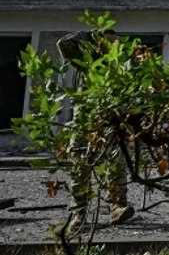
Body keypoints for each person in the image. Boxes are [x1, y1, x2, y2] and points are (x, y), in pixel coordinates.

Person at [57, 28, 135, 229]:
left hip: (111, 119)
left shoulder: (120, 63)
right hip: (85, 118)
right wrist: (89, 35)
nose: (110, 46)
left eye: (114, 42)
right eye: (107, 41)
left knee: (116, 161)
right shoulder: (87, 59)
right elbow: (63, 44)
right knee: (81, 163)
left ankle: (117, 207)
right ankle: (79, 214)